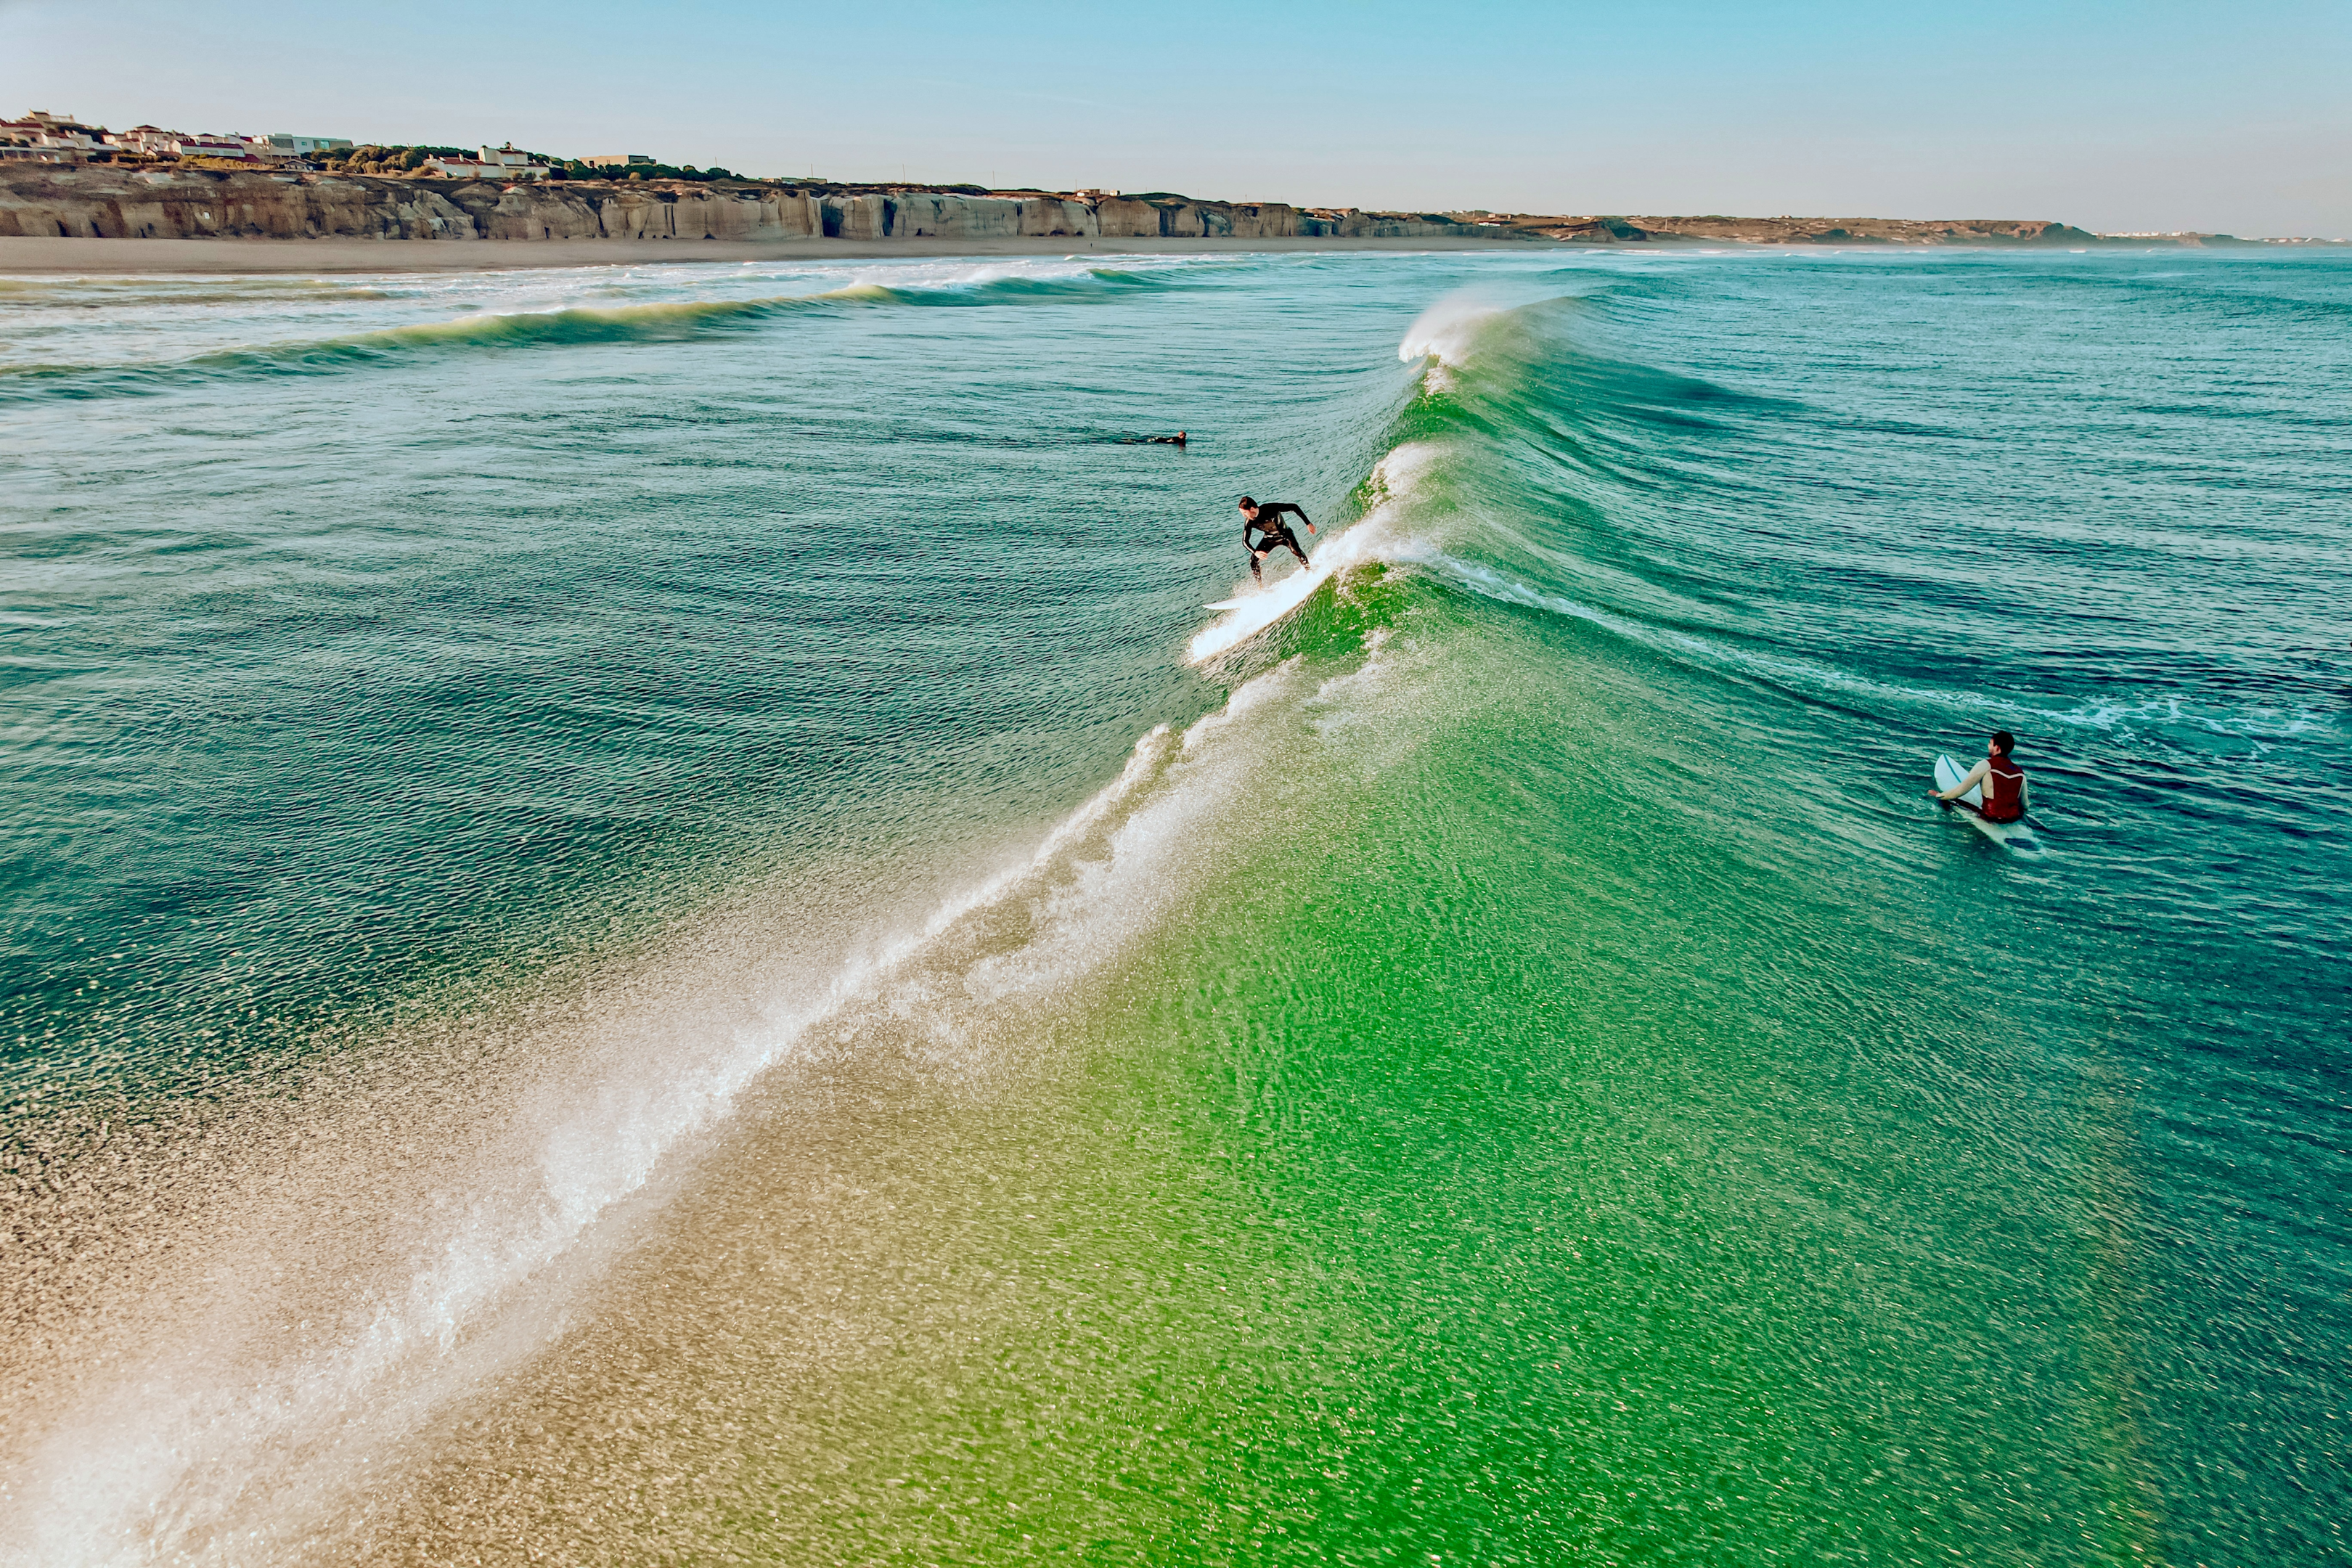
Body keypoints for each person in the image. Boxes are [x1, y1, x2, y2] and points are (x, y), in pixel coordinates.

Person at [1930, 730, 2029, 821]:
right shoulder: (2020, 773)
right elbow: (2025, 805)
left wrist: (1939, 795)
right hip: (2013, 818)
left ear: (1997, 748)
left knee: (1950, 801)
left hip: (1991, 817)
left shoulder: (1986, 765)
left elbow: (1960, 791)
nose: (1988, 746)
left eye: (1990, 743)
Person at [1238, 495, 1315, 582]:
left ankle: (1309, 571)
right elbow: (1245, 541)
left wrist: (1308, 523)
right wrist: (1255, 552)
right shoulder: (1249, 522)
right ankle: (1260, 587)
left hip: (1285, 535)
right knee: (1253, 561)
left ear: (1252, 509)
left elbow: (1294, 507)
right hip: (1270, 539)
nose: (1244, 516)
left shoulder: (1270, 508)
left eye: (1245, 513)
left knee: (1296, 551)